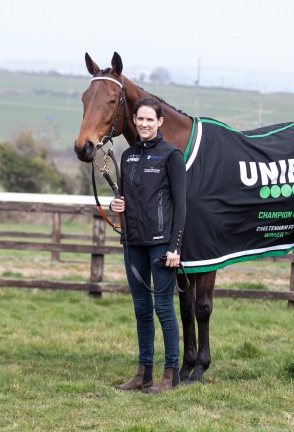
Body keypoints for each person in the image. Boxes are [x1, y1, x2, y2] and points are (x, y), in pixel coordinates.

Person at [109, 96, 186, 393]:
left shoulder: (171, 156)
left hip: (161, 245)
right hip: (132, 242)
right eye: (139, 119)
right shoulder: (127, 157)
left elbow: (181, 206)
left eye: (149, 120)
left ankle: (170, 374)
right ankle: (143, 373)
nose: (143, 124)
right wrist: (117, 205)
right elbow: (128, 198)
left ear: (160, 122)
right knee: (141, 308)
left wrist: (175, 247)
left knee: (163, 308)